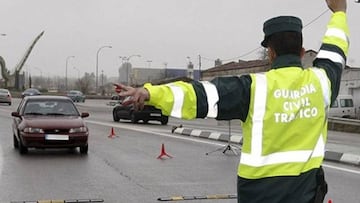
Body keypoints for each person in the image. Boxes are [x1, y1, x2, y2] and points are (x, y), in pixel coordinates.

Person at [115, 0, 349, 202]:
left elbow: (197, 95)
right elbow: (335, 49)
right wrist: (339, 11)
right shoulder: (322, 82)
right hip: (306, 195)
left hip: (259, 196)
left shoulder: (252, 88)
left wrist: (150, 93)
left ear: (271, 53)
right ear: (302, 51)